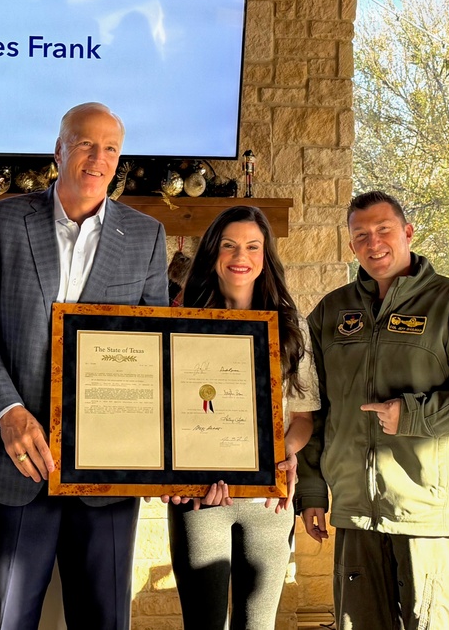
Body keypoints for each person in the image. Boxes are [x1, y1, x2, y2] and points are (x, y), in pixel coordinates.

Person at [0, 102, 169, 630]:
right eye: (86, 144)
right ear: (59, 150)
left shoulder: (146, 236)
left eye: (111, 148)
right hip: (15, 461)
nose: (99, 158)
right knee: (4, 620)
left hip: (109, 474)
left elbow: (155, 353)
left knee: (103, 620)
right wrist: (7, 411)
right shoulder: (2, 221)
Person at [296, 190, 449, 630]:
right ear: (351, 243)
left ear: (408, 233)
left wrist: (414, 415)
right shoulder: (331, 313)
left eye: (383, 230)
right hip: (358, 513)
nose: (373, 243)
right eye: (361, 235)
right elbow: (312, 409)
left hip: (433, 516)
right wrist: (313, 492)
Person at [166, 205, 320, 630]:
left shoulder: (291, 326)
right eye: (230, 245)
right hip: (200, 498)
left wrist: (282, 454)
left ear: (265, 257)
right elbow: (165, 417)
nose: (241, 255)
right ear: (213, 252)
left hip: (268, 501)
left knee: (258, 626)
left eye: (253, 246)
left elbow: (303, 418)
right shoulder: (180, 323)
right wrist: (169, 474)